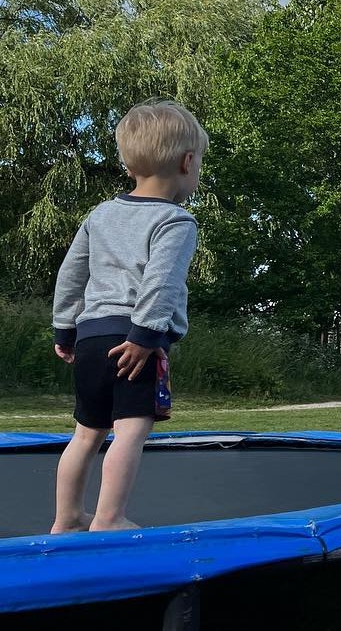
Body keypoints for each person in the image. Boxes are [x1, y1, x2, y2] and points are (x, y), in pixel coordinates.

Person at [50, 100, 207, 532]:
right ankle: (109, 517)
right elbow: (162, 283)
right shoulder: (176, 221)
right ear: (187, 162)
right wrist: (145, 335)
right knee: (131, 431)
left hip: (89, 336)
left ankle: (66, 519)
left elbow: (71, 274)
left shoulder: (100, 215)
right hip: (135, 338)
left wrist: (64, 326)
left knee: (85, 433)